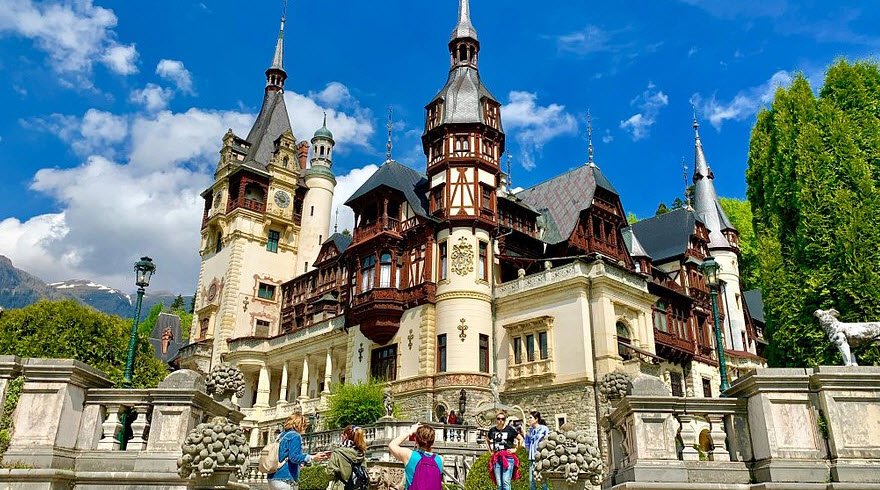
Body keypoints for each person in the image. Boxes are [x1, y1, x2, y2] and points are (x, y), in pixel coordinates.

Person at [268, 413, 330, 490]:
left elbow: (284, 455)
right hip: (285, 478)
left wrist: (300, 463)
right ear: (299, 425)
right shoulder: (295, 436)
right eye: (304, 425)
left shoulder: (281, 436)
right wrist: (313, 457)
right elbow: (294, 457)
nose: (304, 429)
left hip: (272, 477)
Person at [389, 423, 444, 490]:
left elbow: (392, 445)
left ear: (416, 440)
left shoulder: (409, 455)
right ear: (432, 442)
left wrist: (410, 431)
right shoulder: (440, 459)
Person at [486, 411, 522, 490]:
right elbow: (487, 440)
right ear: (496, 420)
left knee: (506, 481)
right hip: (497, 457)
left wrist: (515, 449)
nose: (500, 420)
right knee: (499, 484)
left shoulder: (509, 429)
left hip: (508, 457)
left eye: (503, 419)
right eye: (498, 419)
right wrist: (491, 451)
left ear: (505, 420)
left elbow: (520, 438)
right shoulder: (492, 430)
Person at [327, 425, 367, 490]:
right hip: (358, 487)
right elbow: (364, 469)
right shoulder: (361, 453)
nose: (341, 437)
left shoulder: (337, 453)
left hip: (341, 486)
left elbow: (330, 472)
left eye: (342, 435)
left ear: (346, 436)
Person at [524, 411, 550, 490]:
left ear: (536, 419)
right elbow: (527, 443)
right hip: (532, 459)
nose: (529, 419)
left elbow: (548, 440)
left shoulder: (544, 429)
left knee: (543, 481)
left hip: (541, 458)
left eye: (530, 418)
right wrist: (528, 450)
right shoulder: (530, 430)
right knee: (531, 481)